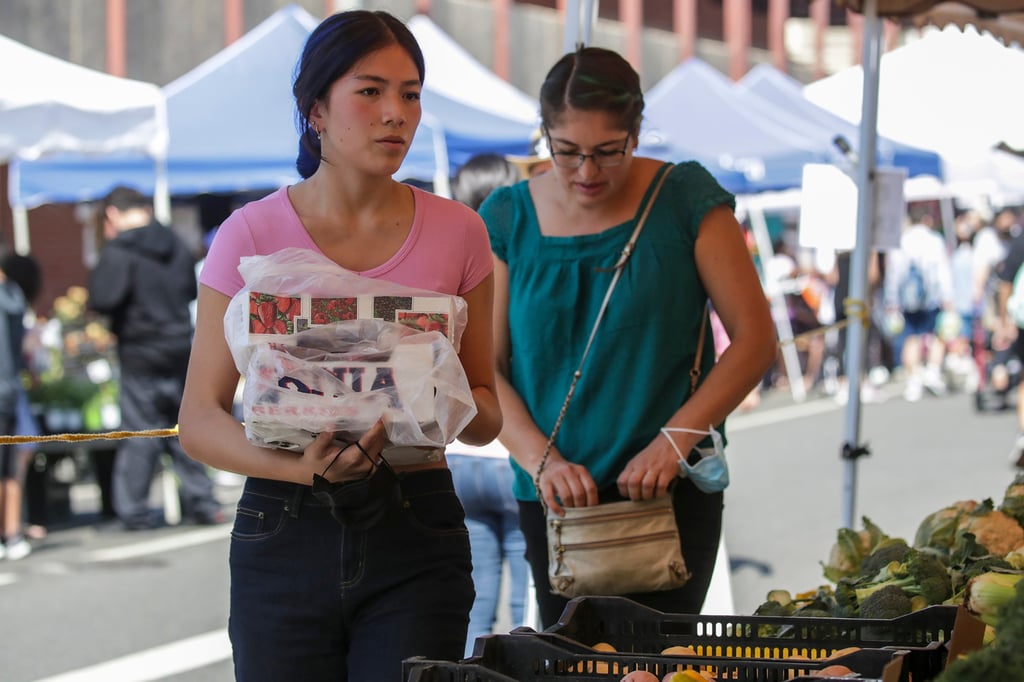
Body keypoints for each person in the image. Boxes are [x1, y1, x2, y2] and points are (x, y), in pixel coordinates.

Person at [177, 11, 502, 681]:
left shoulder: (460, 232)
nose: (396, 114)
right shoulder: (249, 234)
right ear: (315, 108)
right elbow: (200, 420)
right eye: (370, 90)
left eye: (410, 94)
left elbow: (487, 408)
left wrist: (439, 404)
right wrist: (306, 470)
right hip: (284, 524)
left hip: (419, 528)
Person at [478, 46, 776, 628]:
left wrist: (675, 441)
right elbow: (484, 366)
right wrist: (544, 462)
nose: (587, 172)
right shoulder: (506, 216)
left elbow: (756, 339)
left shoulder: (686, 197)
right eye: (567, 153)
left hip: (670, 492)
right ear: (545, 137)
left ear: (636, 132)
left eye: (607, 152)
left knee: (667, 663)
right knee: (571, 663)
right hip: (555, 499)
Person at [87, 185, 222, 531]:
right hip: (178, 345)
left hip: (139, 350)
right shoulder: (173, 242)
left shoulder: (119, 250)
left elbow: (103, 298)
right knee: (183, 426)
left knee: (141, 431)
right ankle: (202, 502)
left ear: (112, 214)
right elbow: (191, 289)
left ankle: (134, 511)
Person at [447, 153, 532, 654]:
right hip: (516, 455)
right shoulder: (520, 263)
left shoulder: (449, 263)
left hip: (459, 455)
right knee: (530, 617)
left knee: (473, 606)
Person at [883, 208, 955, 402]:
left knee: (911, 338)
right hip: (931, 296)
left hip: (907, 299)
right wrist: (948, 297)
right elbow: (943, 270)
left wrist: (891, 300)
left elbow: (893, 275)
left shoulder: (901, 241)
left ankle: (914, 379)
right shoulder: (934, 240)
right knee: (937, 334)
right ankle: (932, 370)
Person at [0, 252, 29, 560]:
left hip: (5, 389)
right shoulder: (12, 293)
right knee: (11, 466)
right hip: (8, 390)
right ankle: (12, 533)